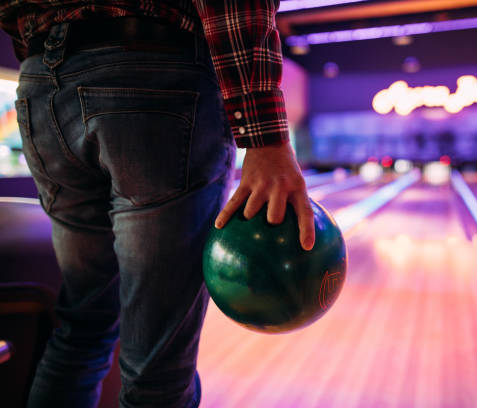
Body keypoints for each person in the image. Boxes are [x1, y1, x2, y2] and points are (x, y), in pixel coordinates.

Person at [0, 1, 315, 407]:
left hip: (42, 83)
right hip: (155, 73)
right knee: (157, 366)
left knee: (81, 330)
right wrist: (265, 137)